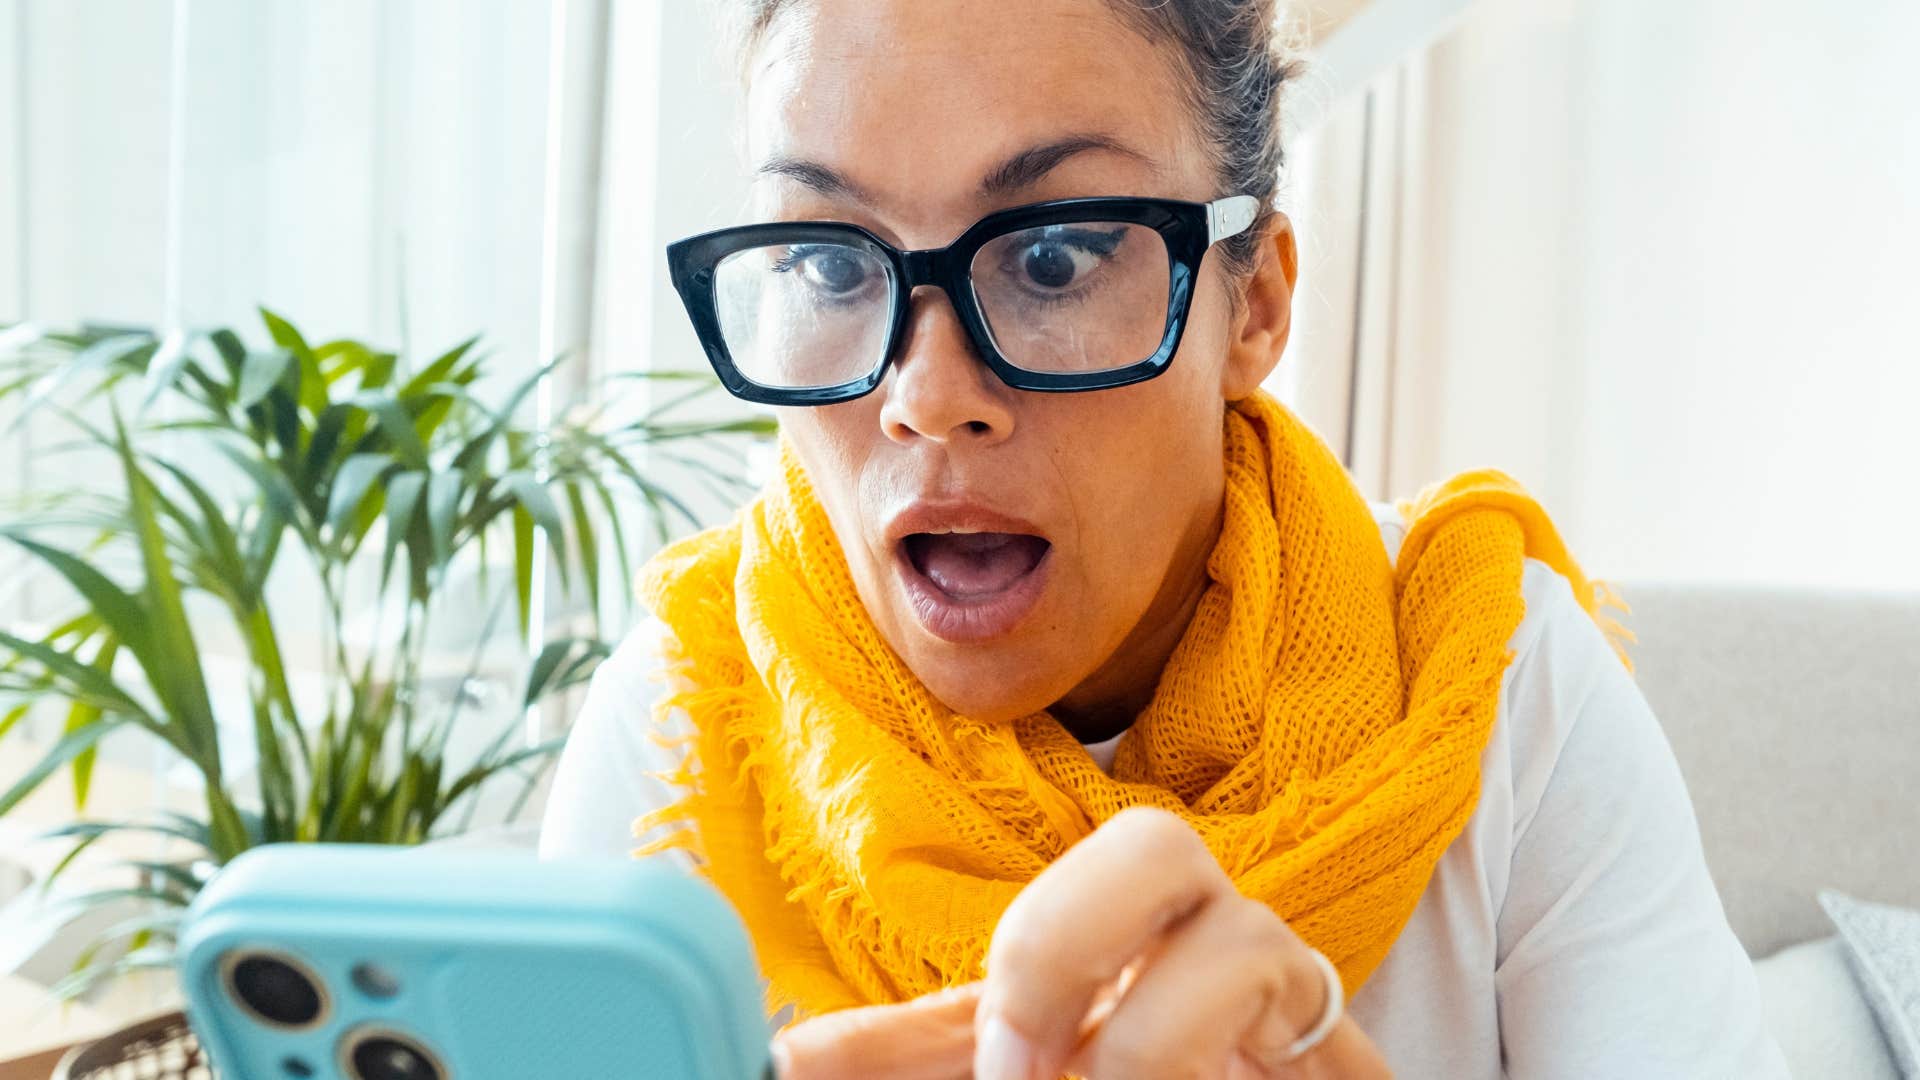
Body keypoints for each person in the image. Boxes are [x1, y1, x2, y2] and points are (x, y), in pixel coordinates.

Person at [541, 1, 1790, 1076]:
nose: (926, 392)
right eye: (828, 267)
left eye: (1053, 256)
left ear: (1254, 305)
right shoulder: (678, 729)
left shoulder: (1503, 690)